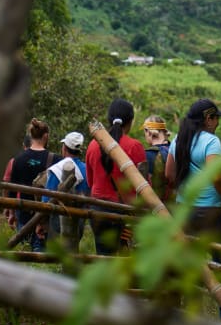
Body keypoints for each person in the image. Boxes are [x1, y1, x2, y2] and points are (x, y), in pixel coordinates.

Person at [165, 98, 221, 315]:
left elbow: (169, 175)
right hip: (211, 213)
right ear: (208, 119)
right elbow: (217, 177)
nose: (217, 123)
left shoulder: (178, 140)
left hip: (185, 211)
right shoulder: (211, 142)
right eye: (216, 118)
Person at [85, 98, 148, 254]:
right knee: (123, 257)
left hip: (97, 208)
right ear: (130, 121)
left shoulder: (93, 145)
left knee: (102, 255)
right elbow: (143, 186)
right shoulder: (134, 146)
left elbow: (90, 181)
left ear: (109, 119)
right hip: (123, 210)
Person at [8, 118, 61, 252]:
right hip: (46, 215)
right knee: (43, 252)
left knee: (25, 250)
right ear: (46, 136)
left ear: (31, 136)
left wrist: (11, 213)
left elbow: (12, 190)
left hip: (23, 212)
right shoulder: (56, 160)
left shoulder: (18, 159)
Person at [44, 131, 89, 244]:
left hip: (57, 222)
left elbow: (46, 200)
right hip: (79, 220)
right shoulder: (87, 170)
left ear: (64, 148)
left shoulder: (57, 169)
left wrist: (41, 223)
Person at [142, 115, 173, 202]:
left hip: (156, 205)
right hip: (178, 204)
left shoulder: (148, 154)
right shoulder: (176, 150)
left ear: (148, 132)